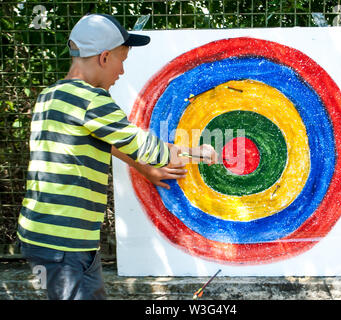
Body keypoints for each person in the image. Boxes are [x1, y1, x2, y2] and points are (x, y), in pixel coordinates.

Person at [17, 13, 218, 300]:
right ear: (104, 57)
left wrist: (144, 169)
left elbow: (101, 140)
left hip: (49, 236)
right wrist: (196, 152)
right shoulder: (93, 100)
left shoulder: (50, 96)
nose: (122, 71)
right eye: (122, 60)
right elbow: (150, 149)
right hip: (65, 242)